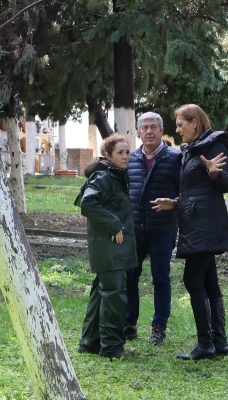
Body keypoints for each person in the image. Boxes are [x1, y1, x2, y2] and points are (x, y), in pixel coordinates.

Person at [152, 104, 228, 361]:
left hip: (206, 225)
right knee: (209, 281)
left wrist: (214, 173)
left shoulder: (214, 144)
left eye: (179, 124)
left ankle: (205, 344)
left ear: (194, 123)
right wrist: (173, 204)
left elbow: (225, 184)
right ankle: (219, 343)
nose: (176, 130)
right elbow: (192, 192)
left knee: (192, 280)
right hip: (197, 223)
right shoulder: (191, 150)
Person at [75, 135, 137, 359]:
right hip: (108, 247)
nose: (125, 156)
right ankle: (112, 348)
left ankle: (90, 342)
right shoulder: (103, 176)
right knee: (114, 294)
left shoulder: (115, 176)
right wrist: (114, 224)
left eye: (128, 152)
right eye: (120, 152)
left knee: (102, 294)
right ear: (108, 155)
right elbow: (88, 203)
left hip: (111, 248)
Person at [124, 111, 181, 345]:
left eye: (153, 127)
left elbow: (184, 193)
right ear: (138, 132)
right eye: (144, 127)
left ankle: (159, 327)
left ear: (161, 130)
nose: (149, 131)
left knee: (160, 278)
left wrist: (173, 205)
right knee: (130, 276)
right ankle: (129, 324)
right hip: (135, 229)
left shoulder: (174, 158)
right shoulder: (131, 159)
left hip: (163, 229)